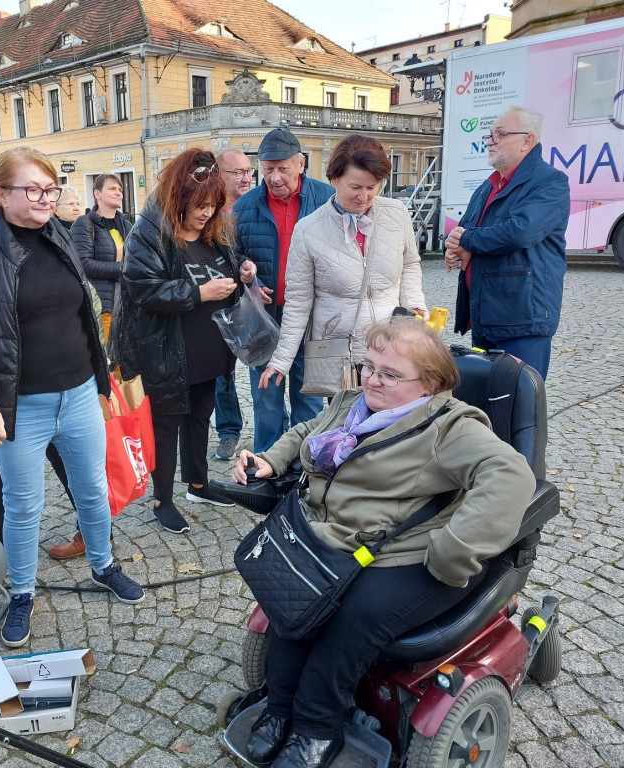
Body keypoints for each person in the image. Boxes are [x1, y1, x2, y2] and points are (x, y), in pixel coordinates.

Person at [232, 318, 535, 768]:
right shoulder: (354, 403)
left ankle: (316, 729)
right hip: (335, 538)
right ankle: (279, 711)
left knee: (350, 619)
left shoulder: (449, 427)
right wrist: (271, 461)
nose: (372, 379)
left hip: (402, 553)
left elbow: (511, 474)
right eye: (368, 366)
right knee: (292, 599)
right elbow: (308, 431)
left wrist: (454, 548)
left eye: (389, 374)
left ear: (429, 384)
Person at [0, 147, 144, 648]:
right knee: (23, 504)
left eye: (50, 190)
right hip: (20, 404)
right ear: (0, 194)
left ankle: (102, 564)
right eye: (31, 190)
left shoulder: (59, 233)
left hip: (77, 393)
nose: (44, 199)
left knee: (93, 490)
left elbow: (82, 312)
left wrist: (100, 379)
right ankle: (21, 594)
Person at [114, 149, 258, 535]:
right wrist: (199, 293)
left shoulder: (215, 230)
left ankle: (199, 484)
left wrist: (241, 267)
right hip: (164, 350)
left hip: (208, 350)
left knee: (199, 418)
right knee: (165, 426)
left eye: (213, 204)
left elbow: (220, 264)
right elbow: (143, 289)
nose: (206, 212)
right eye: (198, 205)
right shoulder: (149, 232)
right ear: (178, 198)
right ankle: (163, 499)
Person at [259, 135, 427, 394]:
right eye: (355, 187)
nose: (364, 196)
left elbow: (410, 264)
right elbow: (298, 302)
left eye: (372, 187)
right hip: (343, 356)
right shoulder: (308, 230)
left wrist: (415, 305)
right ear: (334, 179)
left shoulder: (397, 213)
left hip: (393, 348)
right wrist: (281, 361)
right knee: (347, 428)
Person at [444, 106, 569, 380]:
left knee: (518, 407)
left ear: (528, 140)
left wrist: (466, 240)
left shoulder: (549, 182)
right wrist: (452, 245)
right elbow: (463, 229)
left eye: (500, 135)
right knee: (487, 408)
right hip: (486, 317)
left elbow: (520, 231)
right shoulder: (487, 187)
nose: (490, 142)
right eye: (490, 135)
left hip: (522, 320)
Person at [232, 128, 333, 453]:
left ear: (300, 164)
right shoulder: (245, 207)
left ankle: (305, 463)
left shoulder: (326, 198)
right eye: (267, 169)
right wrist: (247, 276)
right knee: (266, 401)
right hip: (264, 319)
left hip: (313, 321)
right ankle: (267, 465)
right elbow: (232, 255)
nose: (274, 177)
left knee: (309, 399)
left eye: (282, 168)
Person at [212, 149, 254, 461]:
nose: (245, 177)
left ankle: (278, 432)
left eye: (249, 171)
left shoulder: (254, 208)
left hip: (254, 301)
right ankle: (228, 431)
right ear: (218, 174)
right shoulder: (208, 212)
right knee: (221, 372)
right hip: (217, 303)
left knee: (264, 366)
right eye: (237, 172)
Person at [72, 174, 132, 342]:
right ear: (97, 194)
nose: (118, 193)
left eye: (120, 189)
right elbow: (84, 264)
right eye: (112, 188)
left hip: (128, 303)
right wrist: (123, 269)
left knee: (130, 362)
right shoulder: (84, 223)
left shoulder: (126, 225)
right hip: (104, 305)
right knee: (109, 361)